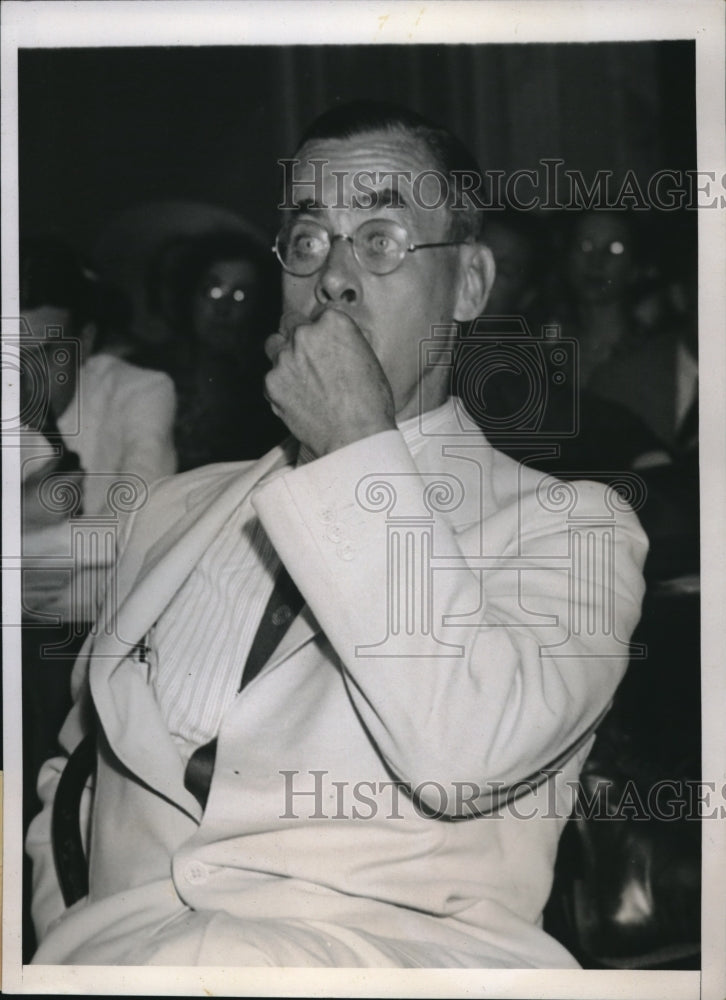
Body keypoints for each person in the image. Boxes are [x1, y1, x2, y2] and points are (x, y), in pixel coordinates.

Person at [27, 103, 647, 969]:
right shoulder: (173, 512)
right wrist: (64, 934)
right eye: (309, 241)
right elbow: (78, 769)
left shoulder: (570, 527)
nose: (336, 277)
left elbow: (463, 756)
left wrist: (357, 446)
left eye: (382, 238)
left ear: (470, 284)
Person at [143, 230, 285, 469]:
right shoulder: (147, 370)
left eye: (240, 295)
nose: (223, 308)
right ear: (189, 295)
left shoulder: (271, 388)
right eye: (213, 290)